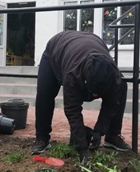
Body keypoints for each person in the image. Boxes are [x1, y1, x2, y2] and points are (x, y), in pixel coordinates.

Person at [31, 31, 130, 162]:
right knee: (45, 93)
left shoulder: (114, 77)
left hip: (89, 43)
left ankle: (112, 136)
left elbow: (111, 104)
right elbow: (72, 110)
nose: (94, 96)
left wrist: (99, 131)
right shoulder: (73, 74)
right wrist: (82, 149)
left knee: (122, 88)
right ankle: (42, 137)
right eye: (93, 93)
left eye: (98, 94)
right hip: (57, 49)